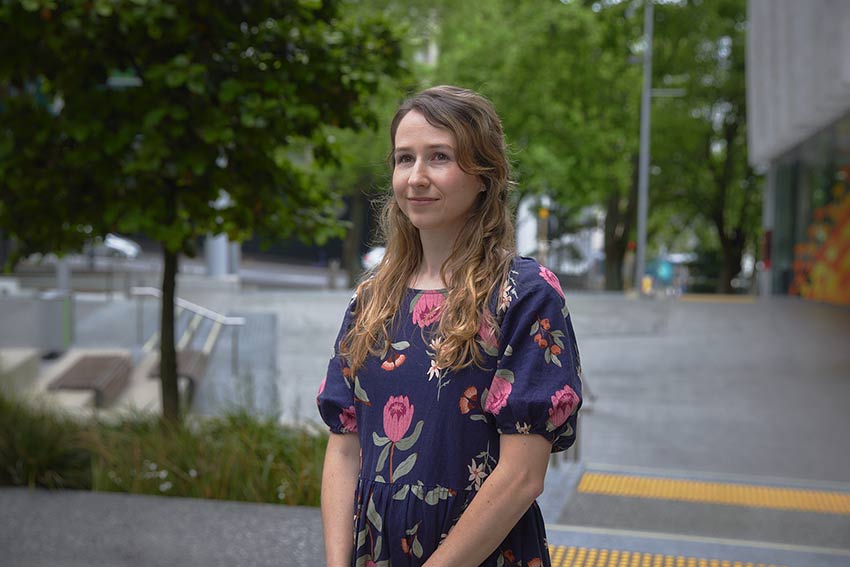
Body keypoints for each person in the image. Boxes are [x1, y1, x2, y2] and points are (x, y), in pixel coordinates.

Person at [317, 85, 583, 567]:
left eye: (439, 157)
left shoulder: (523, 294)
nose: (416, 177)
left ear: (484, 174)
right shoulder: (372, 297)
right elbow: (343, 448)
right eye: (404, 159)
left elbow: (522, 476)